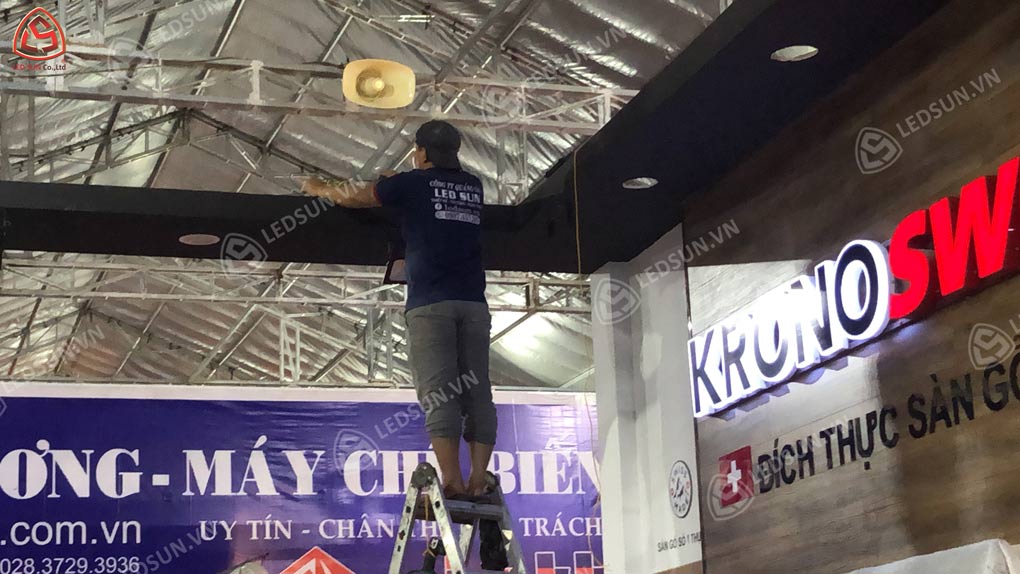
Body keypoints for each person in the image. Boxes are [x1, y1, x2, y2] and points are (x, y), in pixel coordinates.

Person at [301, 120, 497, 500]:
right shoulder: (473, 185)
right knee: (477, 391)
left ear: (420, 152)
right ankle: (478, 480)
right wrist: (399, 183)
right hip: (474, 303)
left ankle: (453, 482)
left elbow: (356, 197)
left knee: (440, 392)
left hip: (431, 305)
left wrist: (318, 187)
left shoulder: (411, 184)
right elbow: (434, 196)